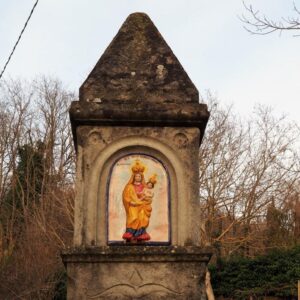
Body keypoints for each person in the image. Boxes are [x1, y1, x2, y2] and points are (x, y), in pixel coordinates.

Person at [122, 160, 157, 242]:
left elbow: (148, 196)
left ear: (142, 177)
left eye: (139, 176)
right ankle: (130, 234)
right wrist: (131, 202)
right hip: (133, 206)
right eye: (136, 176)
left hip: (142, 206)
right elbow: (126, 197)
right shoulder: (129, 187)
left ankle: (140, 234)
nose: (138, 178)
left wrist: (147, 199)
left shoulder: (144, 187)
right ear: (133, 177)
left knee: (142, 218)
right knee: (133, 218)